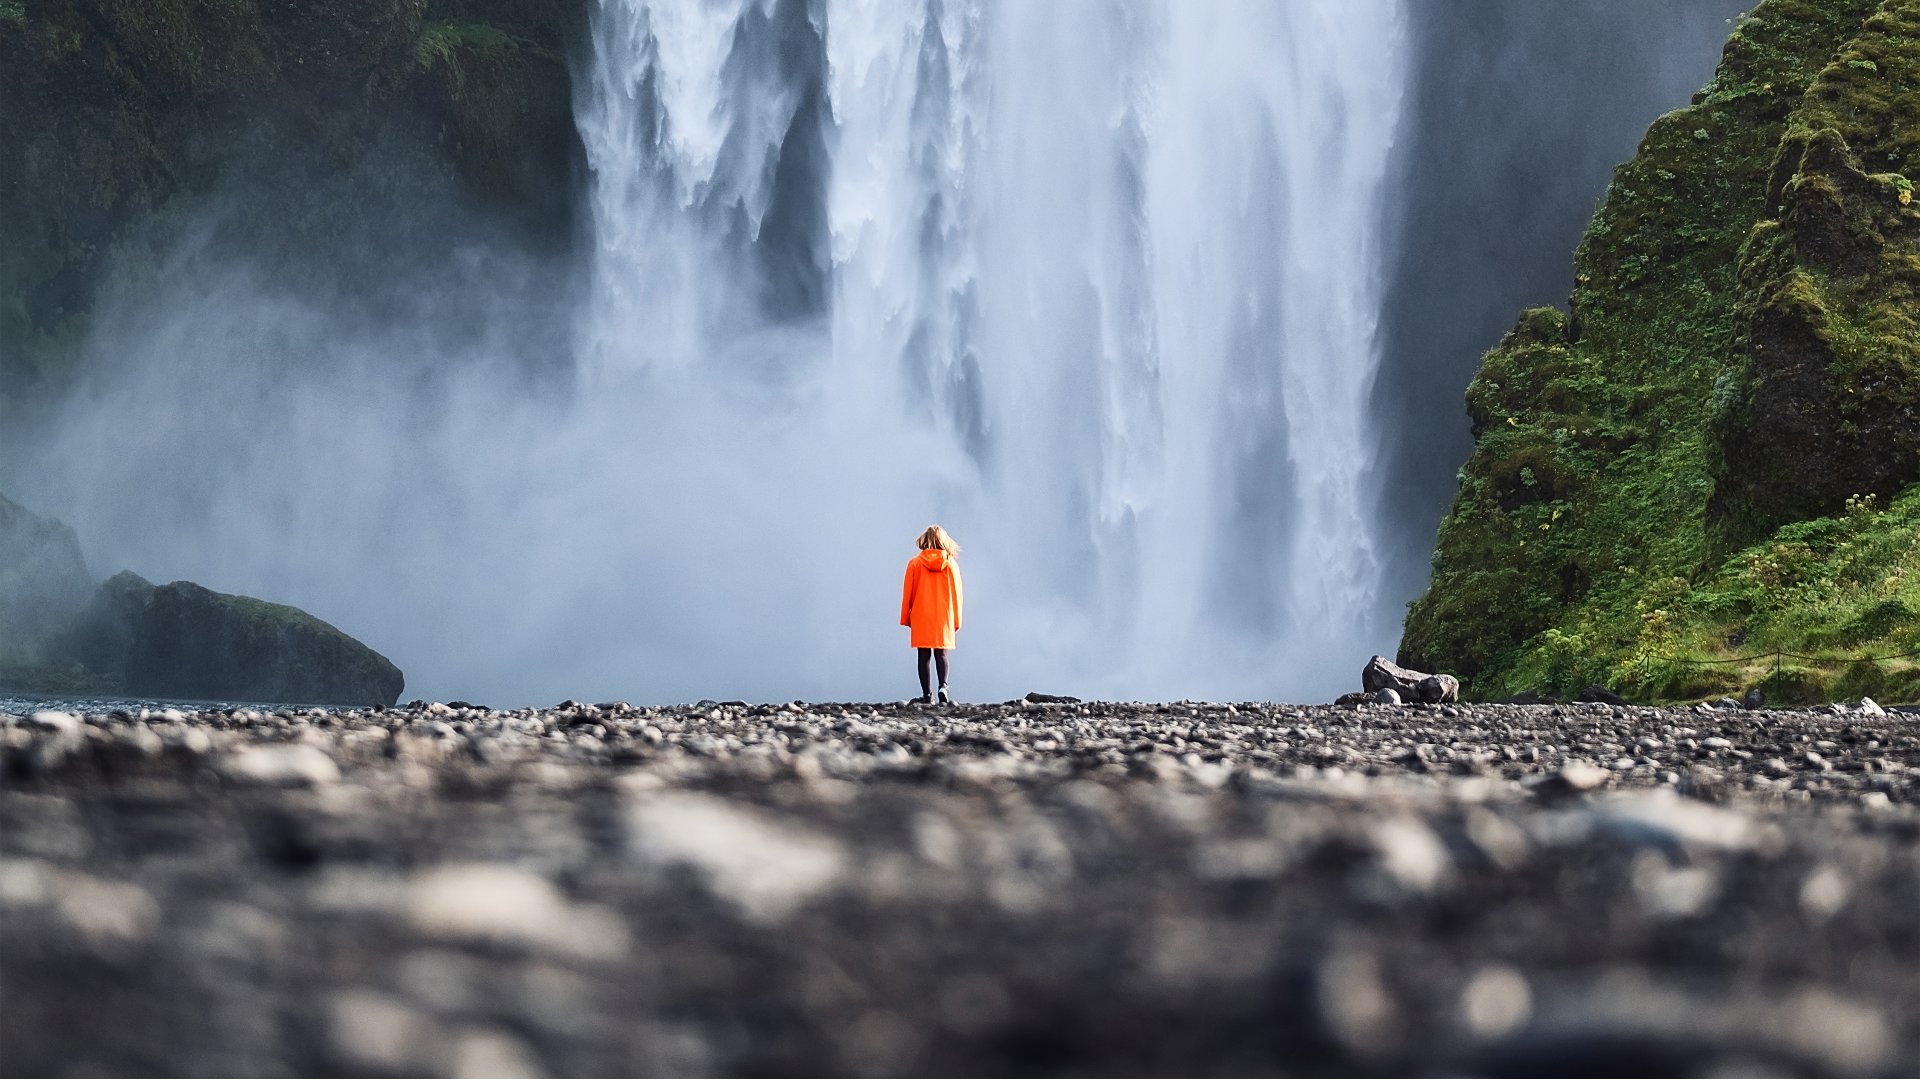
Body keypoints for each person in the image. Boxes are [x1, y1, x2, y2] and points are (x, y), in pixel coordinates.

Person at [900, 524, 964, 705]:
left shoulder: (915, 563)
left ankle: (927, 696)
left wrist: (906, 616)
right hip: (944, 615)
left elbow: (908, 594)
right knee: (941, 653)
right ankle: (943, 686)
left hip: (921, 614)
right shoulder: (951, 564)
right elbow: (957, 595)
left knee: (923, 655)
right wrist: (956, 621)